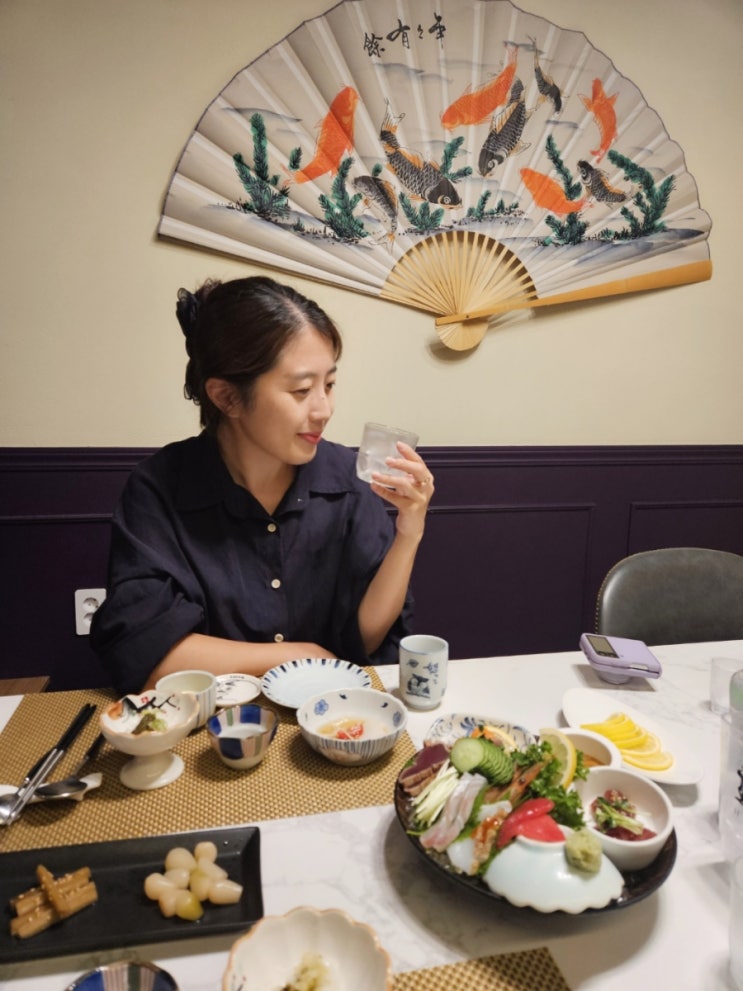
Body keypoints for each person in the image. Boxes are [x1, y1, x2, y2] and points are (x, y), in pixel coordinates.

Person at [90, 276, 434, 695]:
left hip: (333, 716)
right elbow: (148, 656)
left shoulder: (348, 479)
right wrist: (296, 655)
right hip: (214, 721)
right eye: (302, 390)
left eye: (329, 385)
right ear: (227, 398)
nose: (324, 410)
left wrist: (409, 531)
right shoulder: (159, 488)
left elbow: (365, 639)